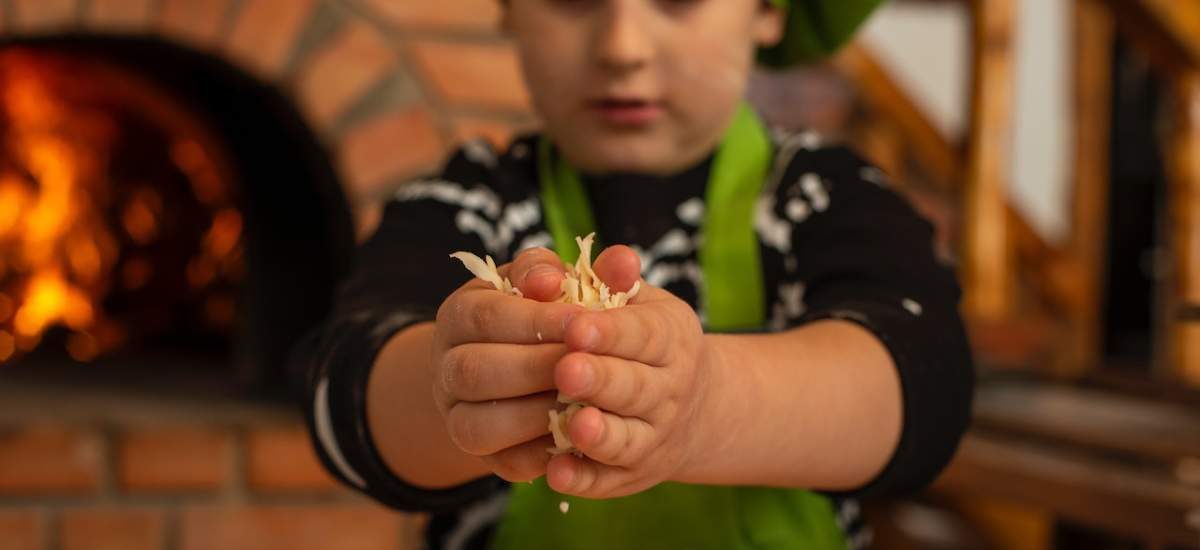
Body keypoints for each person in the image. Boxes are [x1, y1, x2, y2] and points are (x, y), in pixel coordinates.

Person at [295, 0, 974, 548]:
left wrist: (705, 405)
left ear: (770, 11)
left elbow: (926, 384)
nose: (622, 45)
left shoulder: (825, 199)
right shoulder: (466, 205)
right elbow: (342, 389)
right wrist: (454, 383)